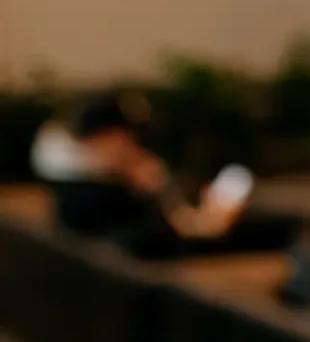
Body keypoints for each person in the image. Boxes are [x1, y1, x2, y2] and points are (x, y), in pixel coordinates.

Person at [47, 94, 245, 254]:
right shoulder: (88, 191)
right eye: (125, 136)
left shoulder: (121, 182)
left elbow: (183, 223)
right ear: (104, 138)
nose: (132, 146)